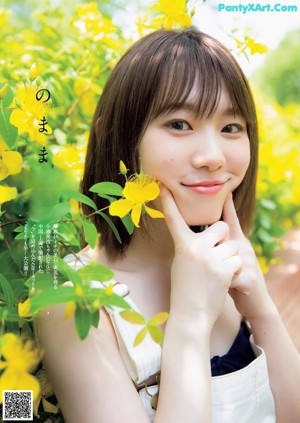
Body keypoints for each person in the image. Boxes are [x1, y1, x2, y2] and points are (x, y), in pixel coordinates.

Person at [34, 28, 300, 422]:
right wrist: (190, 322)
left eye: (231, 128)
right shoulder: (71, 299)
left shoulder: (224, 262)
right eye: (178, 124)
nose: (213, 157)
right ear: (120, 137)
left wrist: (260, 310)